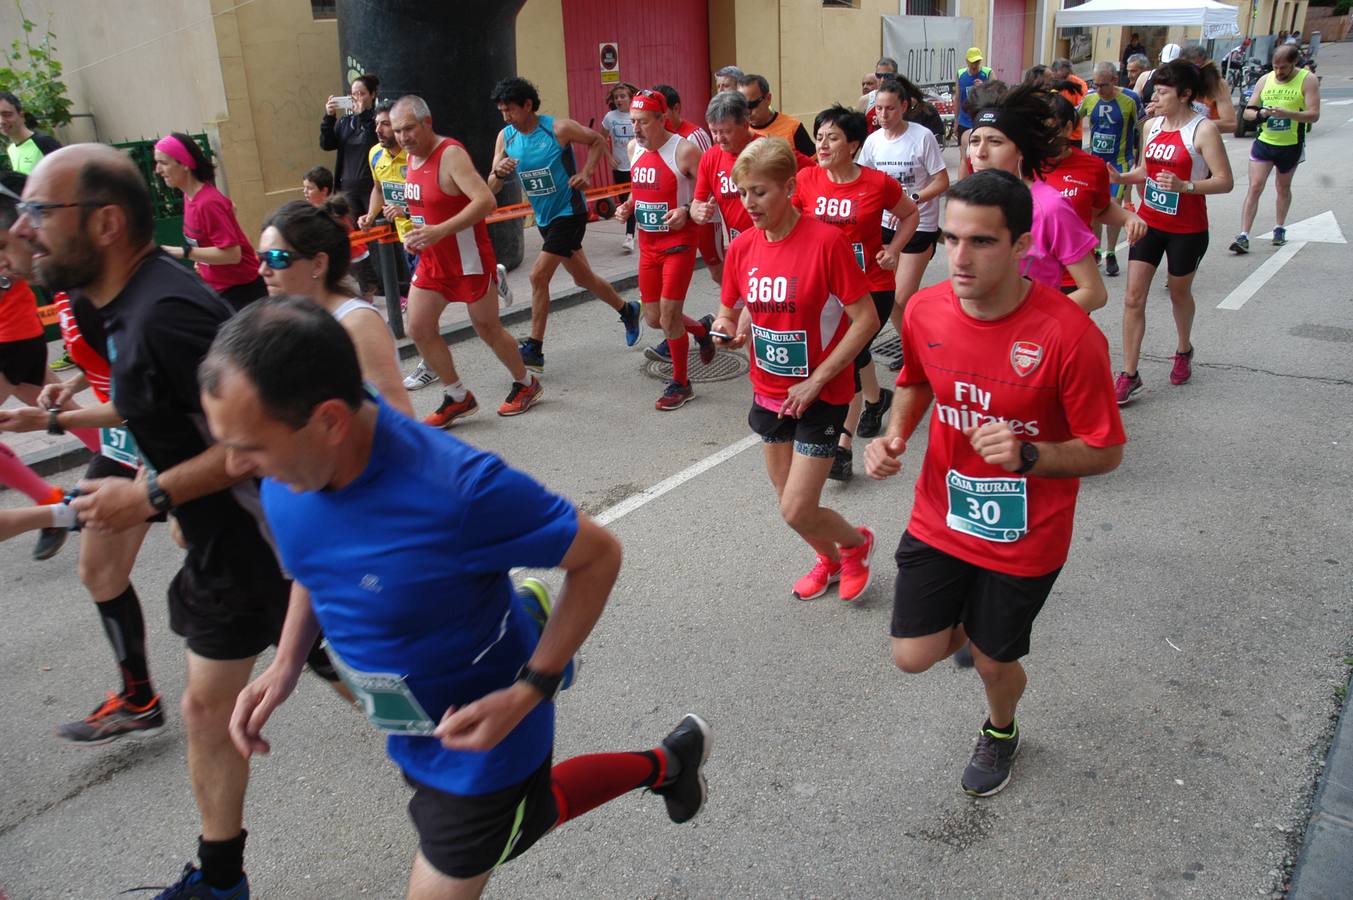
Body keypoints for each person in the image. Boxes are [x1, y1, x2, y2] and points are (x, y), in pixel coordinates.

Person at [202, 298, 712, 900]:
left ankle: (542, 639)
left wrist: (530, 690)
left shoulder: (457, 491)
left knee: (500, 832)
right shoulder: (295, 470)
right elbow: (314, 564)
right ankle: (663, 756)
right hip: (411, 726)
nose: (234, 466)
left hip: (483, 745)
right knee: (531, 820)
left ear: (330, 421)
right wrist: (286, 662)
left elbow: (599, 555)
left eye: (250, 447)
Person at [14, 143, 346, 897]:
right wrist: (59, 420)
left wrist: (152, 496)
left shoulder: (165, 313)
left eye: (40, 211)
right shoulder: (120, 306)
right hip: (222, 546)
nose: (27, 230)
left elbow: (256, 444)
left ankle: (491, 703)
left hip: (266, 543)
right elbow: (153, 408)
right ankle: (220, 879)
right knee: (209, 707)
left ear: (103, 223)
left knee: (360, 674)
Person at [863, 169, 1126, 797]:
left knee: (991, 660)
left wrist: (1030, 455)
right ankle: (971, 629)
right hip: (941, 515)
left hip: (1027, 536)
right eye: (951, 239)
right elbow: (918, 381)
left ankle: (1001, 729)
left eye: (980, 241)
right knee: (911, 655)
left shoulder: (1067, 335)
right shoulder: (925, 308)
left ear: (1020, 245)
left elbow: (1107, 451)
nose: (958, 257)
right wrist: (895, 434)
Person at [0, 173, 165, 742]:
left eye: (7, 245)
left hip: (159, 438)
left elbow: (141, 387)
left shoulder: (94, 285)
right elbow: (103, 364)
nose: (6, 260)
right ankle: (139, 698)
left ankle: (331, 654)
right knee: (99, 570)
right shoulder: (63, 288)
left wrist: (50, 418)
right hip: (125, 440)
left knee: (244, 577)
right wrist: (69, 387)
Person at [710, 138, 879, 604]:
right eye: (743, 192)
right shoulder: (742, 247)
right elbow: (731, 309)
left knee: (796, 507)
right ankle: (827, 561)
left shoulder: (826, 243)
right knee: (792, 505)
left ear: (788, 188)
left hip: (822, 394)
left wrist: (818, 378)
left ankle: (855, 544)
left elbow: (865, 319)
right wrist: (729, 329)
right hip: (768, 392)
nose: (749, 203)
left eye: (760, 192)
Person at [393, 95, 543, 424]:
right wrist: (416, 237)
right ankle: (457, 396)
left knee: (487, 328)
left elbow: (486, 201)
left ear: (426, 122)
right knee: (417, 327)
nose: (403, 137)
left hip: (468, 261)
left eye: (408, 128)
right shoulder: (412, 159)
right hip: (432, 263)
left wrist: (439, 231)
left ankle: (526, 382)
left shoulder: (451, 155)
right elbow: (425, 209)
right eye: (397, 131)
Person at [795, 104, 918, 481]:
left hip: (871, 287)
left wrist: (894, 249)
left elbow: (910, 214)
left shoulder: (878, 183)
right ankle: (877, 400)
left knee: (848, 359)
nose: (823, 144)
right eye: (819, 137)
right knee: (849, 353)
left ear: (853, 145)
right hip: (826, 289)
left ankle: (842, 447)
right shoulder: (806, 180)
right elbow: (795, 225)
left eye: (832, 137)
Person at [487, 77, 643, 372]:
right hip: (545, 219)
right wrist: (498, 171)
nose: (507, 117)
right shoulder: (505, 137)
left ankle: (534, 348)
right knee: (582, 278)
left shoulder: (558, 128)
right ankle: (628, 310)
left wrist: (586, 171)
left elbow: (597, 140)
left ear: (528, 105)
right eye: (502, 111)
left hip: (569, 213)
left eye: (511, 110)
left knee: (538, 276)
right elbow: (491, 187)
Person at [1108, 60, 1233, 403]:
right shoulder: (1151, 126)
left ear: (1185, 94)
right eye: (1156, 92)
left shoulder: (1202, 130)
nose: (1156, 97)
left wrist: (1186, 185)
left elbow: (1225, 181)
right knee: (1133, 297)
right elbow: (1146, 169)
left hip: (1187, 229)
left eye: (1163, 92)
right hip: (1149, 223)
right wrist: (1122, 178)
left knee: (1179, 294)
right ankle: (1129, 373)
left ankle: (1183, 349)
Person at [0, 171, 94, 562]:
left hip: (10, 335)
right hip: (17, 333)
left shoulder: (8, 206)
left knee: (56, 404)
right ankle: (135, 461)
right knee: (57, 404)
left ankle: (51, 506)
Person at [257, 199, 412, 415]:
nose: (262, 270)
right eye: (261, 257)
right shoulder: (290, 317)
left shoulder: (357, 325)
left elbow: (399, 418)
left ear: (318, 264)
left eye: (276, 258)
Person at [613, 90, 715, 411]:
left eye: (643, 122)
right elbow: (639, 187)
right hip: (649, 247)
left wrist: (686, 209)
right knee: (655, 319)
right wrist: (629, 205)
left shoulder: (684, 151)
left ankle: (682, 382)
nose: (636, 129)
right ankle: (701, 329)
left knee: (670, 317)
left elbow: (708, 191)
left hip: (679, 245)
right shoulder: (633, 149)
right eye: (632, 122)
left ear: (662, 120)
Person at [968, 86, 1107, 313]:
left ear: (1021, 150)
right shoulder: (971, 200)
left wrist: (1036, 322)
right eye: (975, 141)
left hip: (1027, 341)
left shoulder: (1050, 207)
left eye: (995, 142)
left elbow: (1094, 292)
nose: (980, 152)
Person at [859, 76, 951, 350]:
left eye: (890, 109)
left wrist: (911, 199)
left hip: (919, 223)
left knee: (901, 295)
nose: (883, 115)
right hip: (885, 224)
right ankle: (913, 346)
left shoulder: (921, 137)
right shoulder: (873, 141)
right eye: (879, 109)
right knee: (890, 295)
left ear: (904, 106)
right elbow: (864, 180)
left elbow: (942, 181)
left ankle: (924, 344)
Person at [152, 133, 267, 311]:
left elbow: (232, 255)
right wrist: (203, 259)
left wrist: (185, 252)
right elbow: (231, 208)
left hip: (244, 293)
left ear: (184, 164)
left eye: (164, 163)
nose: (157, 170)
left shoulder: (207, 202)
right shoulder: (190, 196)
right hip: (219, 289)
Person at [1045, 96, 1147, 291]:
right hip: (1030, 276)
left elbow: (1100, 210)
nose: (1045, 138)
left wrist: (1128, 217)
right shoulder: (1022, 164)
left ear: (1067, 128)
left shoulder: (1093, 167)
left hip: (1074, 276)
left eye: (1051, 129)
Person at [1231, 44, 1321, 254]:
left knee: (1283, 187)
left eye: (1284, 68)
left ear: (1294, 64)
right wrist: (1262, 114)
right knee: (1255, 186)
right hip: (1265, 142)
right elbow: (1247, 113)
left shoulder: (1307, 80)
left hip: (1290, 144)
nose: (1279, 72)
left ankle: (1279, 227)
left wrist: (1290, 114)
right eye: (1275, 67)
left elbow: (1314, 114)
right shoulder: (1265, 80)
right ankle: (1243, 235)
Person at [1078, 61, 1141, 276]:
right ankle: (1095, 248)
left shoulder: (1130, 99)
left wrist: (1140, 159)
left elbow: (1143, 127)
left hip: (1120, 163)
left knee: (1113, 206)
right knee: (1095, 209)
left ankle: (1111, 252)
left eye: (1102, 85)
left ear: (1115, 80)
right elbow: (1071, 120)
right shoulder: (1090, 99)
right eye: (1094, 85)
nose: (1098, 90)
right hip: (1095, 164)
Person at [301, 166, 376, 301]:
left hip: (357, 256)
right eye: (304, 188)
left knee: (367, 292)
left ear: (324, 190)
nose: (305, 192)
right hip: (336, 259)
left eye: (310, 188)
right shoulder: (312, 211)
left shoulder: (335, 208)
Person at [319, 72, 379, 216]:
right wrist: (329, 117)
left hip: (372, 187)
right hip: (347, 187)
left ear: (372, 95)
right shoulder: (345, 121)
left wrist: (363, 115)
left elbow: (376, 140)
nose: (357, 98)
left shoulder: (378, 119)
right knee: (354, 230)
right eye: (353, 94)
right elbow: (327, 144)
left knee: (375, 228)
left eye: (362, 94)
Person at [601, 83, 639, 253]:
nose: (619, 100)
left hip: (636, 165)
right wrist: (609, 157)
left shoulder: (636, 114)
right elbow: (600, 139)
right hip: (619, 167)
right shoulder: (610, 117)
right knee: (625, 201)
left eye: (623, 96)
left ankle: (630, 236)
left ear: (631, 97)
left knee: (633, 201)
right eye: (616, 97)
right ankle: (633, 231)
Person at [738, 74, 816, 157]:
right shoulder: (738, 130)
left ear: (768, 98)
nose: (747, 111)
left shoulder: (792, 127)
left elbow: (814, 165)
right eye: (741, 106)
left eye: (752, 105)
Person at [0, 91, 61, 175]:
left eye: (7, 114)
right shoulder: (11, 149)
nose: (1, 121)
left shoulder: (44, 142)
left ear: (21, 116)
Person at [954, 49, 993, 181]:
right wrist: (956, 121)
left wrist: (985, 86)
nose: (975, 65)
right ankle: (964, 184)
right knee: (965, 156)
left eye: (977, 61)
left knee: (981, 154)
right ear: (967, 61)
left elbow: (998, 91)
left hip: (982, 120)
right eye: (972, 62)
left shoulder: (987, 73)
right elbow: (958, 97)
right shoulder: (960, 74)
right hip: (964, 120)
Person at [1181, 45, 1237, 132]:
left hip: (1204, 139)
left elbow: (1230, 123)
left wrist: (1192, 124)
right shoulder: (1175, 82)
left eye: (1195, 68)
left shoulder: (1218, 85)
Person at [653, 83, 713, 153]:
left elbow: (708, 163)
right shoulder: (650, 137)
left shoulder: (694, 137)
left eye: (661, 112)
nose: (656, 118)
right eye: (652, 113)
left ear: (676, 108)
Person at [1048, 59, 1088, 143]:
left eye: (1065, 77)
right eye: (1059, 78)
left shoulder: (1079, 84)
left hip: (1073, 136)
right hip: (1053, 134)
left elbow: (1082, 108)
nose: (1063, 81)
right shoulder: (1049, 84)